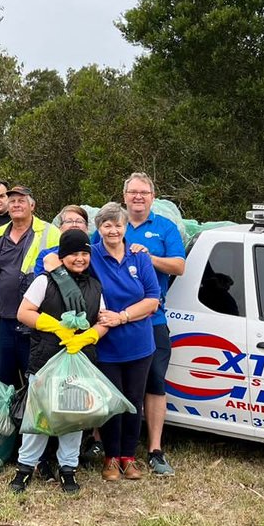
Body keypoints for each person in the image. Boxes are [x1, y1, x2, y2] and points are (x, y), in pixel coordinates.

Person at [12, 228, 108, 494]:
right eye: (73, 253)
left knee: (73, 416)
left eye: (84, 254)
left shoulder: (95, 286)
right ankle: (25, 468)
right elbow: (24, 312)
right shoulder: (45, 281)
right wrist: (56, 327)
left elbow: (102, 320)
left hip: (79, 360)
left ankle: (68, 469)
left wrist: (89, 336)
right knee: (39, 416)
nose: (79, 258)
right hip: (46, 358)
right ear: (62, 256)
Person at [117, 173, 185, 477]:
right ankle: (103, 443)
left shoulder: (165, 227)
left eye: (144, 192)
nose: (138, 197)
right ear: (124, 196)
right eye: (133, 192)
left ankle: (155, 450)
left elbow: (179, 266)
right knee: (112, 380)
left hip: (152, 319)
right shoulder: (113, 223)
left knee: (155, 382)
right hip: (114, 319)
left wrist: (149, 256)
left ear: (153, 197)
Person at [90, 202, 161, 481]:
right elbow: (60, 257)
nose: (113, 230)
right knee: (112, 403)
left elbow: (152, 299)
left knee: (133, 401)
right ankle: (110, 458)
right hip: (106, 345)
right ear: (98, 229)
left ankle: (128, 457)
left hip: (139, 344)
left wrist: (122, 317)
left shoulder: (139, 256)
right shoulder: (91, 255)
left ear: (125, 227)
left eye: (118, 225)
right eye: (107, 225)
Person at [0, 185, 60, 389]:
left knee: (37, 384)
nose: (16, 204)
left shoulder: (50, 232)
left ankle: (33, 412)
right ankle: (8, 412)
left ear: (32, 206)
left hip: (38, 323)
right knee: (4, 384)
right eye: (12, 201)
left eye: (21, 200)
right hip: (4, 321)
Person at [36, 205, 90, 274]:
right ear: (60, 227)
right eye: (69, 221)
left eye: (79, 221)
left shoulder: (94, 253)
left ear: (87, 227)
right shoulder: (46, 255)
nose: (74, 225)